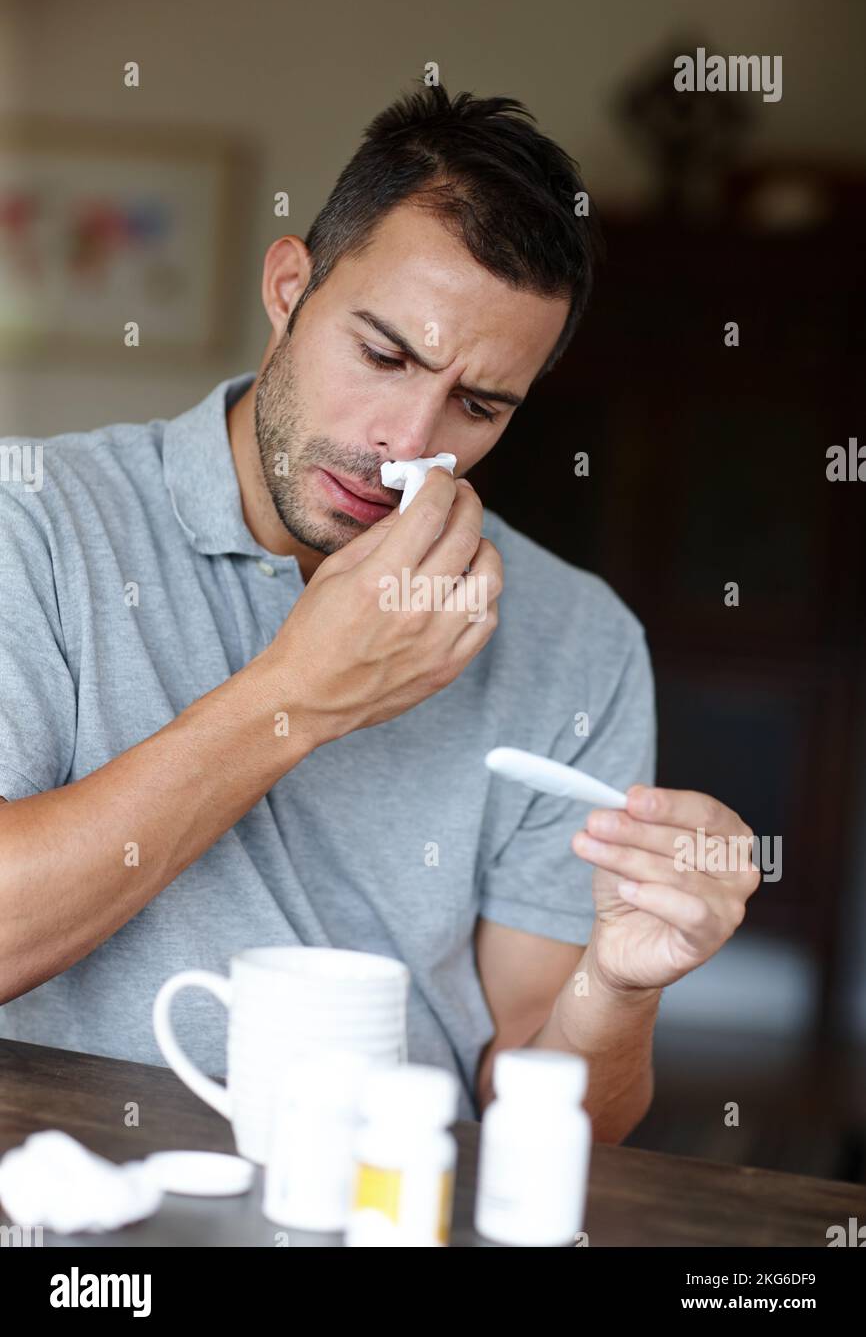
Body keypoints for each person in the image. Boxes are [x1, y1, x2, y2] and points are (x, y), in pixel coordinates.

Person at [0, 85, 758, 1138]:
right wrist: (299, 698)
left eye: (479, 404)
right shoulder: (31, 521)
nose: (407, 439)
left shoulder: (576, 637)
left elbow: (550, 1106)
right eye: (384, 354)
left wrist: (620, 990)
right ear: (287, 286)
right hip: (64, 1191)